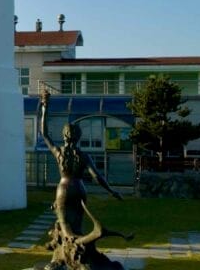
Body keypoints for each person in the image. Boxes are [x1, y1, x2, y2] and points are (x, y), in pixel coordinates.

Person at [40, 90, 131, 269]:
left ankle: (64, 259)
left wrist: (45, 107)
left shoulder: (58, 153)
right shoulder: (83, 156)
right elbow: (97, 176)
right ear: (78, 136)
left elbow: (44, 133)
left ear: (65, 135)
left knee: (66, 228)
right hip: (80, 190)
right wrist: (112, 191)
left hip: (63, 189)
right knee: (78, 227)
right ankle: (77, 257)